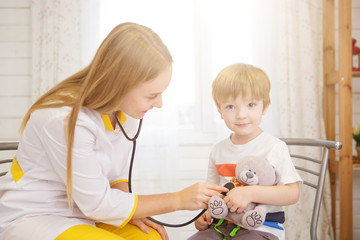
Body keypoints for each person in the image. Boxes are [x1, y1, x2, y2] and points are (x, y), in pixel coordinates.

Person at [0, 22, 228, 240]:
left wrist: (132, 211)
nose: (159, 104)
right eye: (151, 95)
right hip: (38, 216)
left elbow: (117, 175)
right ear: (120, 84)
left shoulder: (122, 111)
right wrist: (177, 199)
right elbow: (98, 203)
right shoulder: (63, 118)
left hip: (85, 213)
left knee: (151, 237)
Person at [188, 63, 302, 240]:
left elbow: (292, 193)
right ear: (220, 110)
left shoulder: (274, 147)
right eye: (231, 107)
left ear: (264, 107)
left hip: (261, 228)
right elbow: (212, 193)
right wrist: (205, 214)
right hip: (221, 226)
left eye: (251, 104)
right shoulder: (218, 151)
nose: (241, 114)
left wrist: (250, 193)